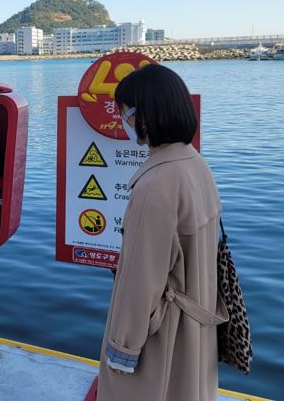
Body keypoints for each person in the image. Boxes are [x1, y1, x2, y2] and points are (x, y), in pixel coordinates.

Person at [97, 64, 227, 401]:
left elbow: (141, 281)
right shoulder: (195, 164)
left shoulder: (154, 184)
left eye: (126, 112)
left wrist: (122, 347)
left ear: (147, 114)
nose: (123, 120)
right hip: (198, 322)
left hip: (163, 335)